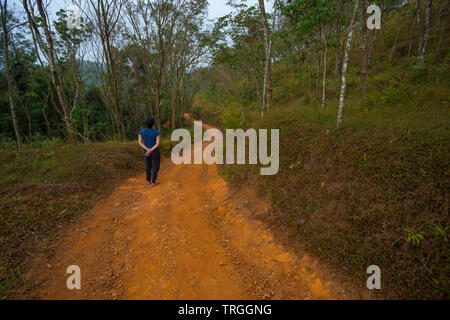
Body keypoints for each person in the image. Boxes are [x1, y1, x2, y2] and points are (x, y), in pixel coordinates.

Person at [138, 117, 161, 186]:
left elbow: (140, 142)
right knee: (155, 166)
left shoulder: (142, 132)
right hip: (155, 152)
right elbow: (157, 143)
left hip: (146, 152)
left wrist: (147, 149)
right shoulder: (156, 132)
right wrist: (151, 150)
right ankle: (153, 182)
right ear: (153, 124)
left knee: (148, 165)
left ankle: (148, 180)